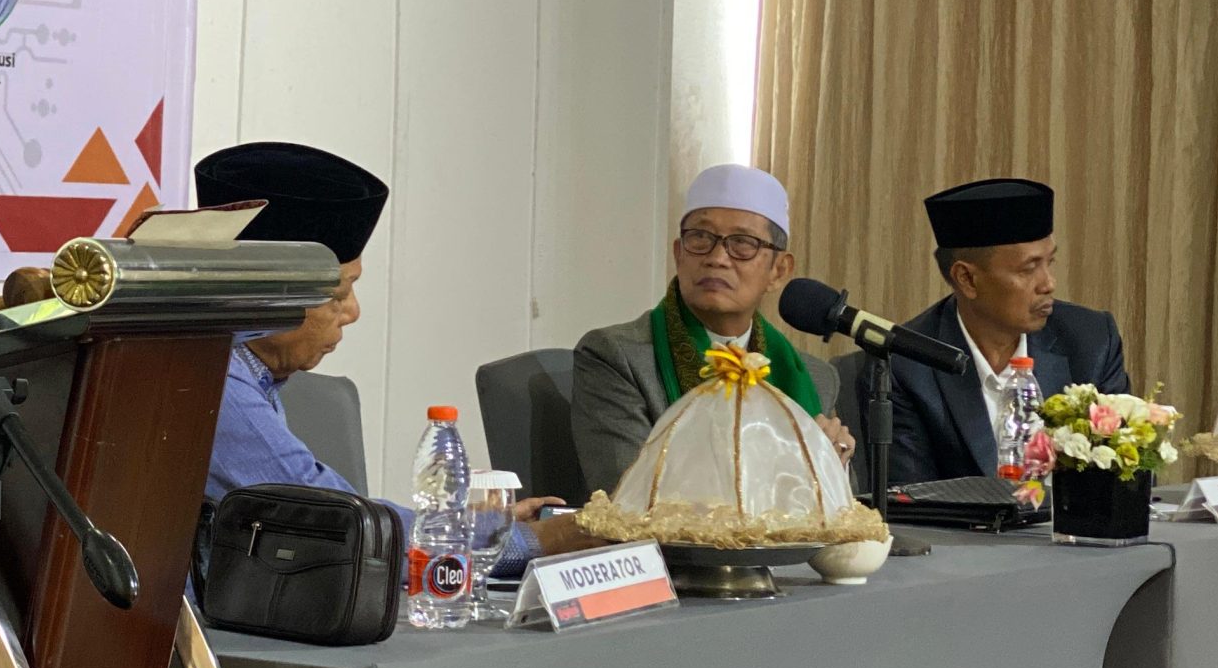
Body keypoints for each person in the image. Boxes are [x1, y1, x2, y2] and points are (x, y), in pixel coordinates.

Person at [195, 140, 557, 566]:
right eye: (339, 293)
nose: (352, 312)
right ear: (268, 294)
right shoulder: (210, 380)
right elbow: (338, 525)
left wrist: (480, 525)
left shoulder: (250, 371)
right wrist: (527, 541)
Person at [571, 163, 852, 496]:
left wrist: (836, 465)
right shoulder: (618, 357)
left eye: (743, 244)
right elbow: (626, 497)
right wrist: (801, 470)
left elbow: (846, 510)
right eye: (700, 238)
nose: (717, 258)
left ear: (779, 270)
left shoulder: (816, 379)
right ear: (679, 254)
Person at [884, 176, 1130, 488]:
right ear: (967, 279)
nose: (1048, 283)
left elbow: (1125, 474)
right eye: (1029, 269)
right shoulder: (908, 364)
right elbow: (914, 502)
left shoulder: (1090, 341)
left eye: (1049, 262)